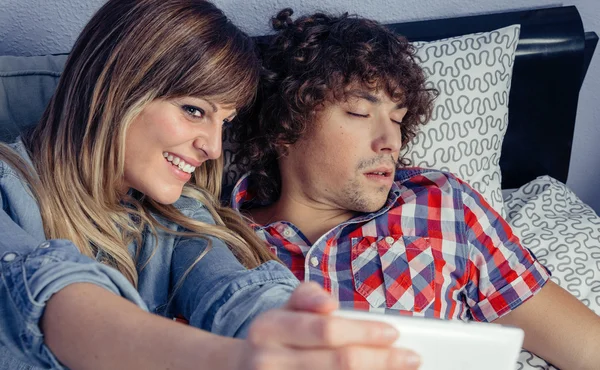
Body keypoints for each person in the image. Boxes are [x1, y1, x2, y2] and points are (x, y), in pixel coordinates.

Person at [0, 1, 423, 370]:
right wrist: (225, 359)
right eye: (194, 110)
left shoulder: (177, 214)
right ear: (115, 86)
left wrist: (294, 330)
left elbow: (235, 293)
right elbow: (49, 293)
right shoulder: (9, 189)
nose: (214, 148)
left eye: (225, 122)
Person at [230, 8, 600, 370]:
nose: (390, 140)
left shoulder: (444, 205)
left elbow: (587, 347)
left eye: (398, 119)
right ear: (284, 126)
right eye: (360, 112)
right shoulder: (215, 236)